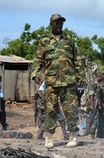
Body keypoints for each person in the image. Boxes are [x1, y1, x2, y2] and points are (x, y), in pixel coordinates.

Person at [32, 13, 84, 149]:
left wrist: (81, 76)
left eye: (61, 23)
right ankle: (49, 138)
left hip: (68, 81)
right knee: (50, 110)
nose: (59, 25)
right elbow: (38, 59)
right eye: (57, 23)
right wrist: (35, 74)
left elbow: (77, 59)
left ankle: (73, 136)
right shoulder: (44, 41)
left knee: (71, 109)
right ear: (51, 24)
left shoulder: (69, 40)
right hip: (51, 82)